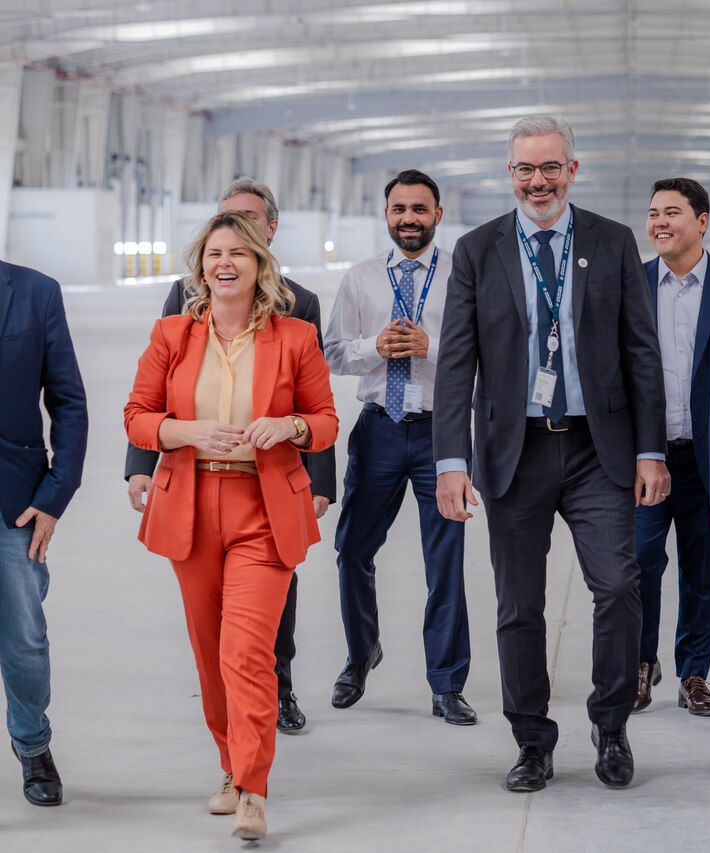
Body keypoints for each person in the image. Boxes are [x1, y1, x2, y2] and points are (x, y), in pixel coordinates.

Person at [433, 115, 668, 793]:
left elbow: (641, 352)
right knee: (519, 606)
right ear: (510, 174)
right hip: (515, 451)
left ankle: (611, 723)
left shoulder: (611, 241)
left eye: (550, 168)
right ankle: (532, 740)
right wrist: (451, 462)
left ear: (572, 170)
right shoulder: (478, 250)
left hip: (599, 448)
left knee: (618, 586)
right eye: (525, 170)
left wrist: (650, 450)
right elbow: (456, 362)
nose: (538, 181)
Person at [124, 212, 338, 840]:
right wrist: (183, 431)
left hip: (262, 510)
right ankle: (229, 767)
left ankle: (252, 788)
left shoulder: (295, 337)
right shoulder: (171, 335)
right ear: (201, 267)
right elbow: (137, 416)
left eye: (238, 253)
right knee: (210, 653)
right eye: (215, 253)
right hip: (190, 507)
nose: (225, 263)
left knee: (246, 652)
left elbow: (325, 421)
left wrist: (290, 426)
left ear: (259, 264)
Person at [324, 169, 474, 724]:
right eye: (399, 209)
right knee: (352, 550)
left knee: (445, 559)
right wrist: (375, 346)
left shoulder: (463, 275)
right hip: (379, 429)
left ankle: (446, 684)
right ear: (386, 214)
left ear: (437, 214)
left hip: (442, 432)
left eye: (419, 209)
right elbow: (334, 353)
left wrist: (430, 347)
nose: (409, 219)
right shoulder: (361, 278)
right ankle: (360, 654)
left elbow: (486, 358)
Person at [633, 178, 710, 716]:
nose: (660, 222)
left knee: (706, 570)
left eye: (672, 212)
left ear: (702, 221)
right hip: (647, 457)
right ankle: (641, 663)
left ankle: (693, 673)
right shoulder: (632, 284)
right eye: (653, 213)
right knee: (638, 561)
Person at [0, 259, 87, 807]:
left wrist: (54, 496)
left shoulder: (36, 292)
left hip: (13, 500)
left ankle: (32, 744)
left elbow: (68, 401)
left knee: (25, 639)